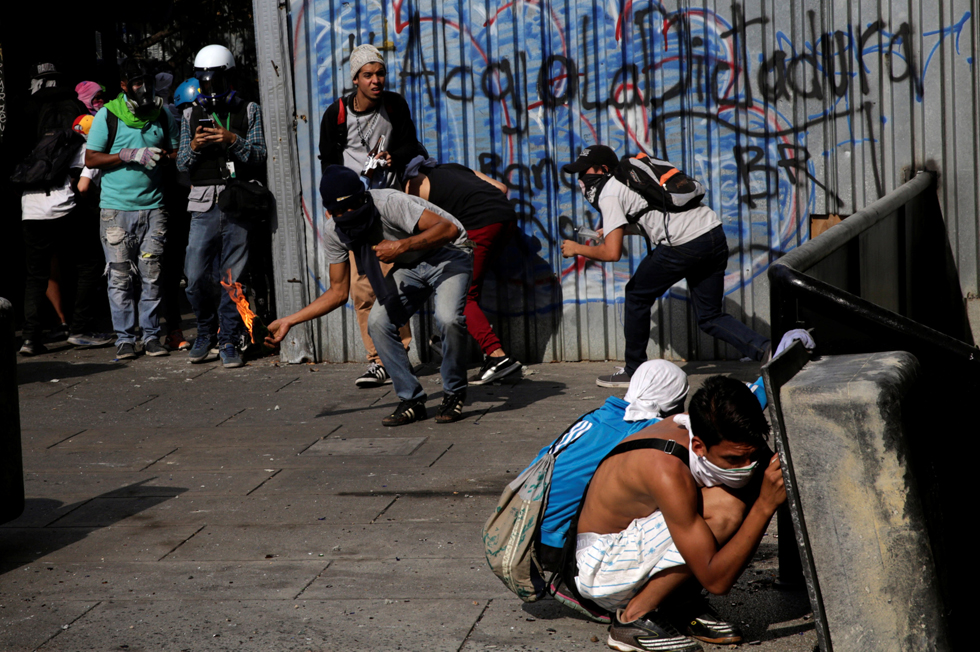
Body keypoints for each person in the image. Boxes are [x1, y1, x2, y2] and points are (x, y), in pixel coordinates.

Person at [574, 375, 785, 652]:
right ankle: (633, 617)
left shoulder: (714, 426)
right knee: (726, 508)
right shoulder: (666, 468)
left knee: (743, 490)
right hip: (602, 570)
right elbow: (716, 581)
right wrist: (764, 506)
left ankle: (676, 603)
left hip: (632, 546)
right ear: (698, 446)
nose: (746, 465)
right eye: (733, 460)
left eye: (751, 455)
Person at [266, 165, 473, 426]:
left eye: (351, 207)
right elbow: (338, 292)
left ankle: (454, 392)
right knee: (377, 323)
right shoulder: (335, 231)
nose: (347, 215)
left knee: (448, 318)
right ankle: (411, 399)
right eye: (339, 211)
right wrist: (290, 321)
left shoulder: (389, 203)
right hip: (409, 263)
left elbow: (449, 229)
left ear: (363, 197)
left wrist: (401, 245)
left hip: (449, 253)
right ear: (329, 211)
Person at [560, 145, 771, 388]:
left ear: (602, 169)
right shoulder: (630, 179)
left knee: (637, 295)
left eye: (584, 171)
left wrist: (578, 249)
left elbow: (611, 253)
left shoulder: (608, 191)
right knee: (710, 316)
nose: (581, 179)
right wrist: (623, 230)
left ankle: (634, 371)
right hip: (713, 233)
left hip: (682, 245)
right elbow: (653, 214)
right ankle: (766, 349)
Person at [318, 44, 422, 388]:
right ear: (355, 79)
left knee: (390, 284)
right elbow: (328, 164)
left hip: (386, 207)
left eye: (380, 74)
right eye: (368, 75)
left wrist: (393, 155)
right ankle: (378, 359)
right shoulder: (336, 115)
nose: (376, 80)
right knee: (362, 289)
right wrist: (335, 208)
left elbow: (411, 144)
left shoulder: (394, 105)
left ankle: (399, 352)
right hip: (353, 211)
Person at [176, 45, 267, 368]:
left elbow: (258, 155)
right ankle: (204, 331)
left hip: (238, 202)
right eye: (204, 82)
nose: (209, 88)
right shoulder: (189, 114)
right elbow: (181, 164)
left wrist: (231, 139)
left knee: (233, 276)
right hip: (202, 204)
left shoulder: (249, 110)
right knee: (195, 274)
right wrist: (196, 146)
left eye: (215, 81)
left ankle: (229, 338)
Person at [85, 58, 179, 360]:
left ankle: (151, 337)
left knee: (152, 274)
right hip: (116, 211)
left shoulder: (162, 114)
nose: (144, 88)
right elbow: (91, 159)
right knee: (119, 276)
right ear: (124, 86)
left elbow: (177, 151)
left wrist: (163, 156)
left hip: (154, 209)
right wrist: (126, 155)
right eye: (137, 83)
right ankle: (125, 339)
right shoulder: (107, 116)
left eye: (147, 82)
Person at [17, 64, 112, 355]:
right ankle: (80, 328)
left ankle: (31, 338)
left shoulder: (29, 123)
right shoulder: (74, 125)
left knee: (36, 274)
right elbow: (80, 179)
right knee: (89, 263)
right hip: (63, 205)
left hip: (30, 206)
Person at [403, 157, 522, 384]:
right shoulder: (452, 168)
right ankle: (454, 347)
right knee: (469, 289)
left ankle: (498, 357)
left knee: (464, 295)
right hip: (505, 218)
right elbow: (501, 188)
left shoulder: (412, 185)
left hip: (479, 226)